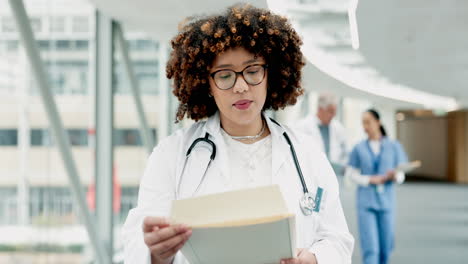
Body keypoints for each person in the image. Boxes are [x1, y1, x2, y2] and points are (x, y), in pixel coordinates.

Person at [122, 4, 353, 264]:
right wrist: (155, 254)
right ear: (207, 83)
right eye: (225, 75)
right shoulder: (171, 155)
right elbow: (137, 242)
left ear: (271, 74)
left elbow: (338, 240)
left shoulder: (306, 153)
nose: (241, 86)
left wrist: (314, 258)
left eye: (253, 71)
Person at [346, 109, 408, 264]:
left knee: (386, 247)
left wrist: (396, 176)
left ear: (378, 122)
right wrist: (369, 180)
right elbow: (351, 173)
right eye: (363, 123)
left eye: (368, 122)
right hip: (366, 203)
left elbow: (402, 173)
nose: (365, 126)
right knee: (371, 248)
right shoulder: (358, 147)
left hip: (386, 203)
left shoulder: (394, 146)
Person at [294, 93, 348, 176]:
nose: (333, 115)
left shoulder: (338, 128)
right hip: (311, 175)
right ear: (320, 109)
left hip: (334, 176)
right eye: (331, 111)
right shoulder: (302, 127)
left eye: (335, 112)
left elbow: (345, 153)